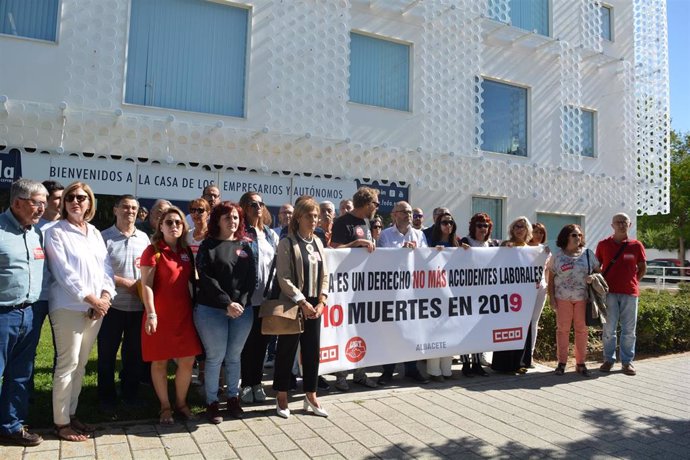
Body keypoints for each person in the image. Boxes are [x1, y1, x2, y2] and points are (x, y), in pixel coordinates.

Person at [45, 181, 116, 441]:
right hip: (68, 307)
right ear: (63, 202)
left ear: (90, 203)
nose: (76, 201)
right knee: (68, 363)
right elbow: (64, 272)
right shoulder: (56, 232)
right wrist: (91, 300)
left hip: (96, 309)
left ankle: (72, 414)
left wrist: (105, 297)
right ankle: (61, 423)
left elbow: (106, 269)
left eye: (82, 198)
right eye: (71, 197)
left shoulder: (95, 233)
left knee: (81, 365)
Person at [195, 202, 256, 423]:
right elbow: (206, 278)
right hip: (211, 310)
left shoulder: (246, 245)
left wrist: (239, 303)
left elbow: (252, 279)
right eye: (228, 217)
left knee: (233, 357)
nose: (233, 221)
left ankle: (233, 398)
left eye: (236, 218)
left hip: (242, 311)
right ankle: (212, 402)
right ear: (218, 220)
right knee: (215, 357)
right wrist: (226, 303)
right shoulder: (207, 246)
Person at [140, 207, 202, 425]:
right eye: (169, 222)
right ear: (161, 226)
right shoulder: (153, 250)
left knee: (187, 361)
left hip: (183, 316)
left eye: (177, 222)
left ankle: (181, 403)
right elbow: (145, 285)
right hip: (159, 315)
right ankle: (165, 407)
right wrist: (151, 314)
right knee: (159, 363)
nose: (174, 226)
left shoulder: (186, 251)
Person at [0, 179, 48, 447]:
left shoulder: (35, 233)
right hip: (2, 314)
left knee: (20, 374)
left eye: (43, 202)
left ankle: (10, 426)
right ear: (17, 202)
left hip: (28, 314)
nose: (42, 208)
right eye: (36, 203)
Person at [273, 198, 329, 419]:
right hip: (294, 303)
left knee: (312, 351)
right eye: (309, 216)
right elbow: (283, 278)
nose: (313, 220)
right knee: (286, 350)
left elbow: (325, 274)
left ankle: (311, 395)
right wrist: (302, 302)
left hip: (315, 305)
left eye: (316, 216)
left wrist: (322, 301)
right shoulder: (287, 242)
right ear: (298, 218)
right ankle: (282, 395)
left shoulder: (318, 242)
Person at [97, 195, 150, 410]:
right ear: (116, 210)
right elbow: (98, 271)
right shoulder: (103, 237)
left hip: (138, 307)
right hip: (112, 306)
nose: (130, 211)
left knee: (134, 355)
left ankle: (130, 394)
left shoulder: (144, 238)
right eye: (125, 207)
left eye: (134, 208)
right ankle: (106, 397)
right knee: (107, 354)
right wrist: (125, 282)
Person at [330, 187, 379, 390]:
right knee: (345, 330)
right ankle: (341, 376)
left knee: (362, 329)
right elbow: (332, 249)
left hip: (362, 286)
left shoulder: (365, 222)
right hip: (344, 287)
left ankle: (360, 372)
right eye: (375, 204)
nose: (376, 207)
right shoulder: (342, 222)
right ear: (367, 203)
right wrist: (356, 242)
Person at [377, 201, 430, 386]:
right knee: (392, 331)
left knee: (412, 330)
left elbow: (425, 259)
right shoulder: (385, 235)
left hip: (413, 290)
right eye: (404, 212)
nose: (409, 215)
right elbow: (381, 259)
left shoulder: (419, 234)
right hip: (392, 291)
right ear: (394, 215)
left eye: (410, 212)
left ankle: (411, 368)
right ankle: (388, 370)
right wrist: (401, 251)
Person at [239, 192, 278, 404]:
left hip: (267, 299)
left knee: (262, 344)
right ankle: (245, 384)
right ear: (244, 207)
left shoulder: (270, 235)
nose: (257, 207)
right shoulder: (241, 233)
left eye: (261, 203)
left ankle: (257, 383)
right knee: (247, 344)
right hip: (246, 299)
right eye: (253, 204)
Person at [596, 213, 647, 376]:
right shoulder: (603, 244)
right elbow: (597, 267)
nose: (621, 225)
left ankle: (627, 362)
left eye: (624, 222)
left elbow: (642, 267)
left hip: (630, 293)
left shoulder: (636, 245)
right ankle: (608, 359)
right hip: (609, 293)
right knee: (609, 329)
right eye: (617, 222)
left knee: (629, 330)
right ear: (612, 225)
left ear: (629, 224)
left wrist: (632, 282)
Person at [548, 224, 600, 376]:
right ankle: (561, 362)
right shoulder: (557, 256)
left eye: (579, 235)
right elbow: (550, 279)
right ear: (566, 237)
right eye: (574, 235)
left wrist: (594, 277)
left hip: (583, 298)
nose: (578, 238)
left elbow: (600, 273)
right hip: (562, 298)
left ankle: (580, 363)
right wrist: (551, 298)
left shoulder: (588, 254)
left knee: (582, 330)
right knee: (562, 330)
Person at [491, 216, 533, 375]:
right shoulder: (504, 245)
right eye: (516, 226)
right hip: (506, 295)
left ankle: (518, 363)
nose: (519, 229)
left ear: (527, 230)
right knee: (505, 328)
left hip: (523, 296)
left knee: (521, 328)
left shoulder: (532, 250)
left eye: (522, 226)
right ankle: (502, 364)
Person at [459, 213, 499, 376]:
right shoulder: (465, 242)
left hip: (484, 295)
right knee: (464, 328)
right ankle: (465, 363)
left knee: (479, 329)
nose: (483, 229)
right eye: (479, 225)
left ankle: (477, 363)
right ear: (473, 227)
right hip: (466, 293)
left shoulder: (493, 244)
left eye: (486, 226)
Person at [426, 211, 460, 381]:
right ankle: (434, 370)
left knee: (450, 331)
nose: (448, 225)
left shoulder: (457, 243)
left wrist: (465, 251)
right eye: (445, 222)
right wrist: (432, 252)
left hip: (453, 294)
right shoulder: (430, 242)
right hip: (435, 294)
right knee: (436, 332)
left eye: (451, 222)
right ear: (438, 225)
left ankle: (447, 369)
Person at [526, 222, 549, 367]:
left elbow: (548, 270)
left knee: (534, 322)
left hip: (541, 289)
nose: (539, 235)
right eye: (536, 232)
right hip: (525, 290)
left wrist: (547, 286)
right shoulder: (522, 248)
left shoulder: (546, 250)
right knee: (523, 321)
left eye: (541, 232)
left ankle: (530, 355)